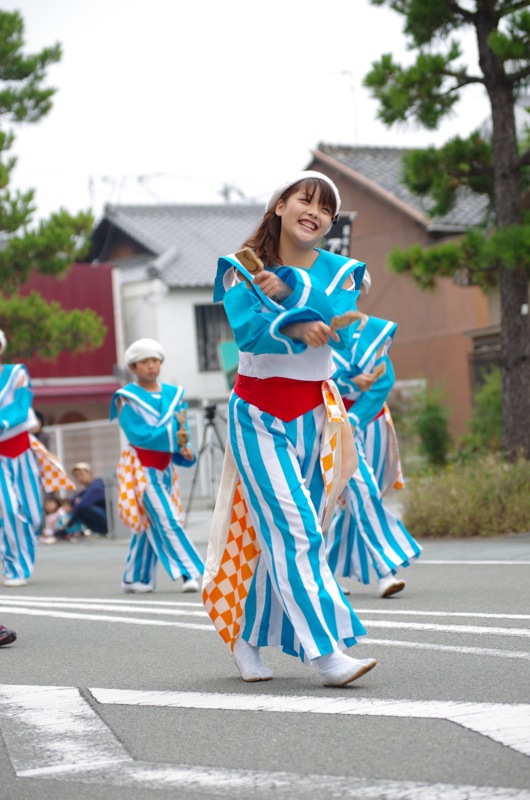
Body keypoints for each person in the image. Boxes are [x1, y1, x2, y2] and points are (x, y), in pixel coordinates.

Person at [202, 171, 377, 687]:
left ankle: (245, 635)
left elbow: (345, 326)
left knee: (289, 535)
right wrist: (293, 325)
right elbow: (250, 333)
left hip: (318, 419)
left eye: (326, 209)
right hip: (257, 417)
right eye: (305, 200)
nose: (315, 213)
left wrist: (298, 295)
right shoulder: (243, 268)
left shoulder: (342, 272)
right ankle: (327, 654)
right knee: (295, 530)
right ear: (279, 205)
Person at [326, 271, 422, 597]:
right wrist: (350, 387)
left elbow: (383, 380)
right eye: (342, 288)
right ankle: (385, 569)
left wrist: (357, 414)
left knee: (359, 498)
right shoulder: (320, 331)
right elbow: (316, 380)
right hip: (335, 423)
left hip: (372, 422)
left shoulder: (374, 331)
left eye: (355, 289)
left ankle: (323, 569)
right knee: (361, 490)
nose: (349, 295)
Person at [110, 338, 204, 594]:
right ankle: (193, 572)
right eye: (144, 362)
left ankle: (134, 577)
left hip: (165, 470)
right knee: (167, 518)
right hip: (140, 468)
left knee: (151, 521)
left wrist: (186, 448)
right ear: (133, 366)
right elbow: (138, 434)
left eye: (155, 360)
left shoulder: (174, 395)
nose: (151, 366)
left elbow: (182, 430)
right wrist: (175, 438)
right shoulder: (126, 398)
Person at [0, 329, 44, 587]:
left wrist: (3, 422)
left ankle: (17, 551)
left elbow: (21, 407)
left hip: (21, 450)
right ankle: (14, 567)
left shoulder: (17, 373)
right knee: (8, 508)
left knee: (34, 515)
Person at [56, 462, 108, 537]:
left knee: (84, 508)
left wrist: (67, 525)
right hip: (104, 517)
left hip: (108, 520)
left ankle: (100, 531)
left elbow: (81, 506)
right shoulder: (89, 488)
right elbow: (73, 499)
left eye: (82, 474)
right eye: (77, 476)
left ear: (89, 473)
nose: (79, 477)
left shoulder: (96, 486)